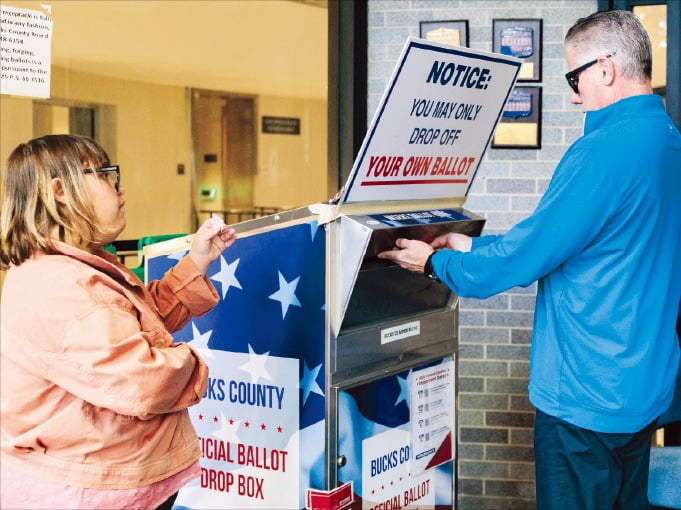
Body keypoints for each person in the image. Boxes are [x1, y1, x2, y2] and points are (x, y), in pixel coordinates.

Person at [378, 10, 681, 509]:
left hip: (586, 396)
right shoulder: (666, 141)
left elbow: (523, 261)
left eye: (573, 76)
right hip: (642, 387)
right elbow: (577, 241)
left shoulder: (603, 151)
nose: (573, 93)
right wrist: (470, 244)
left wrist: (436, 265)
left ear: (605, 69)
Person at [0, 134, 237, 509]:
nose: (120, 187)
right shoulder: (60, 286)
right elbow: (143, 380)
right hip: (89, 490)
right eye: (107, 174)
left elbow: (141, 321)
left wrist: (197, 262)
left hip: (105, 479)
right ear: (61, 191)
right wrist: (192, 363)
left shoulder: (72, 267)